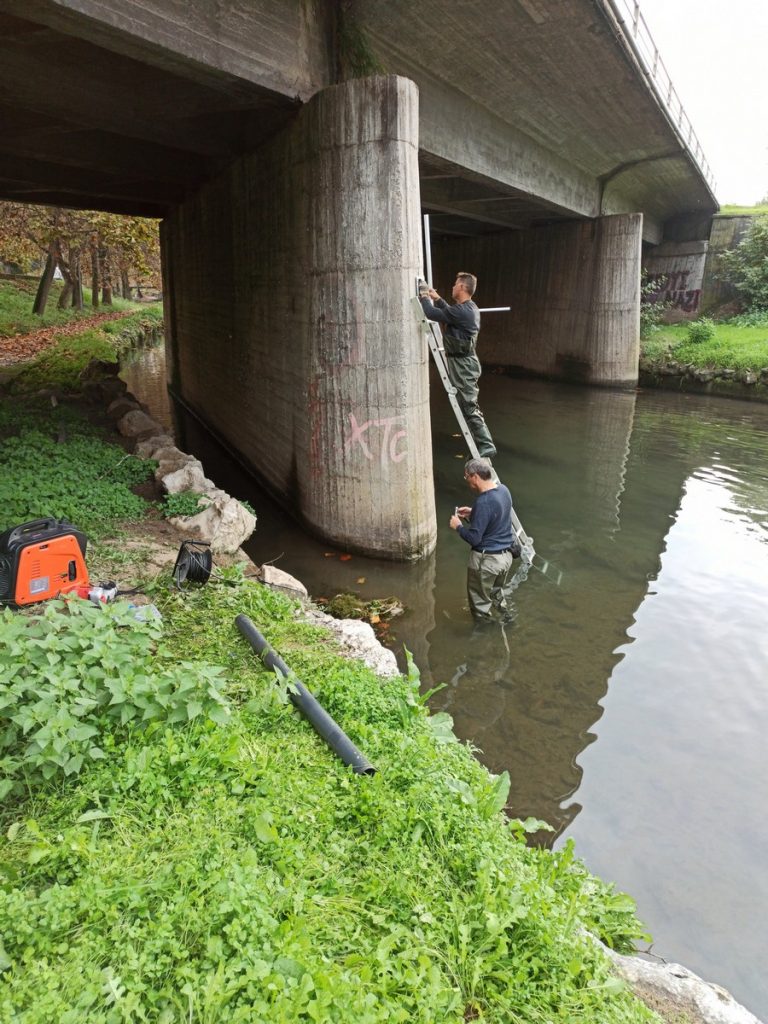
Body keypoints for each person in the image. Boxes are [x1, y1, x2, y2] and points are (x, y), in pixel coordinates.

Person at [419, 271, 496, 459]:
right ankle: (479, 446)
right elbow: (449, 314)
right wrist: (437, 299)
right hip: (461, 362)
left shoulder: (464, 311)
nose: (452, 286)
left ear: (462, 287)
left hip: (463, 365)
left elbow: (430, 313)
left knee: (469, 406)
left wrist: (423, 296)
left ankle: (487, 444)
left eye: (455, 284)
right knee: (465, 405)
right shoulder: (466, 309)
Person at [450, 458, 519, 622]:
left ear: (474, 476)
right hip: (505, 559)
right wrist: (473, 513)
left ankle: (484, 635)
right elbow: (498, 516)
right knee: (496, 593)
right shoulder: (503, 490)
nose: (467, 481)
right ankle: (507, 619)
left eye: (466, 477)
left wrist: (458, 526)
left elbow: (474, 539)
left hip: (487, 561)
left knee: (479, 606)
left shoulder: (483, 501)